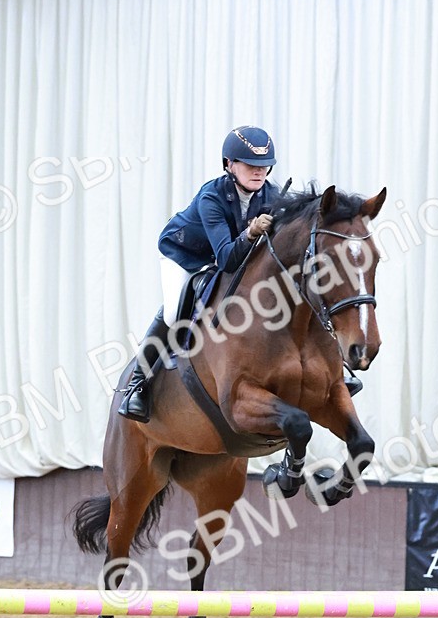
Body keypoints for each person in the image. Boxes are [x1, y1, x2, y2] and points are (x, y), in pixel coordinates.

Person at [118, 126, 362, 422]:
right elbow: (225, 258)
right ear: (229, 165)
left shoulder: (271, 195)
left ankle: (336, 370)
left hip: (228, 254)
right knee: (172, 312)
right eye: (249, 165)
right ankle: (138, 385)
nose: (258, 172)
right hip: (186, 255)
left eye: (264, 165)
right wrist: (250, 233)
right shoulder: (211, 197)